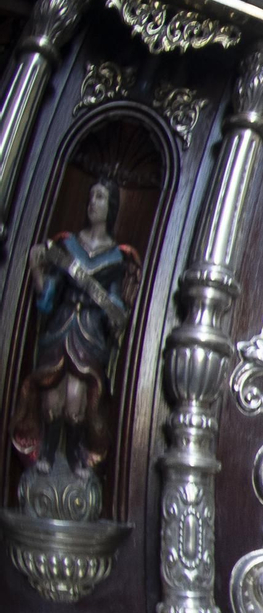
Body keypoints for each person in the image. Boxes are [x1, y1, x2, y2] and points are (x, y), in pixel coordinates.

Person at [10, 178, 140, 477]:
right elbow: (48, 297)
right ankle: (46, 450)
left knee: (75, 403)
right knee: (51, 400)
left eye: (100, 197)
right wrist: (36, 272)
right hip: (61, 325)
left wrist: (113, 310)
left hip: (90, 332)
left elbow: (117, 304)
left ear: (111, 207)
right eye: (91, 196)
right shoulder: (68, 245)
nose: (92, 202)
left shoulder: (117, 257)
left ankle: (74, 452)